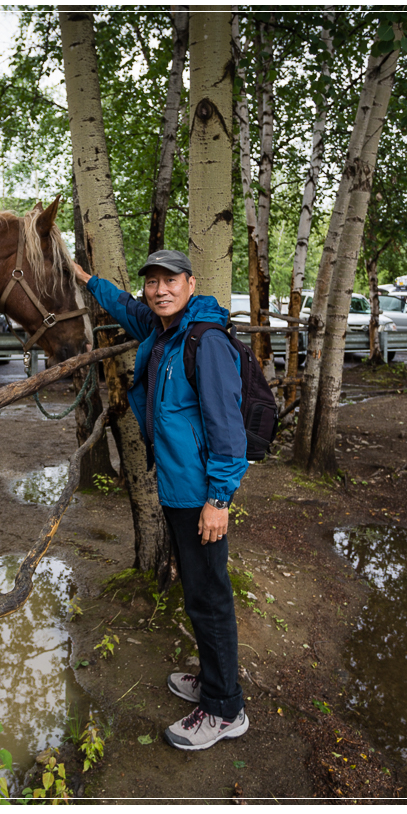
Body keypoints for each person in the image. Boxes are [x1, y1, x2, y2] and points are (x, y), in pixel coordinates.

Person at [73, 249, 249, 751]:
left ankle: (224, 708)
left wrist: (219, 498)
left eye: (170, 281)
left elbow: (228, 430)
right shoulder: (164, 329)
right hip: (177, 490)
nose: (159, 290)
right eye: (152, 282)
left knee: (209, 598)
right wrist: (87, 280)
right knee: (199, 593)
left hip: (200, 496)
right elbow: (126, 307)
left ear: (191, 284)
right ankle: (216, 681)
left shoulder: (206, 341)